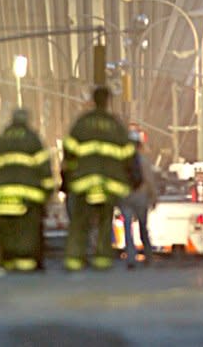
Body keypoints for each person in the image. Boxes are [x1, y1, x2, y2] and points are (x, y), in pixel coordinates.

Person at [62, 85, 136, 271]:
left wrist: (68, 176)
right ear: (108, 101)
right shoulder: (116, 125)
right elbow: (128, 154)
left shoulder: (82, 123)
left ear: (93, 100)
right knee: (105, 221)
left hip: (84, 182)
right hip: (109, 183)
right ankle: (102, 259)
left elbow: (69, 151)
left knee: (80, 222)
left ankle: (75, 258)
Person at [0, 108, 53, 272]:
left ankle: (8, 261)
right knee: (26, 230)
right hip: (27, 197)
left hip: (1, 197)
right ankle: (25, 262)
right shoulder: (33, 140)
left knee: (7, 229)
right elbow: (44, 169)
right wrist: (47, 193)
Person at [120, 130, 158, 270]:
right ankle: (148, 255)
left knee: (127, 228)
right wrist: (153, 197)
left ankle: (131, 257)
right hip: (140, 197)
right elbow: (149, 180)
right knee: (143, 227)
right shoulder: (143, 160)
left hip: (125, 197)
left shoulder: (121, 161)